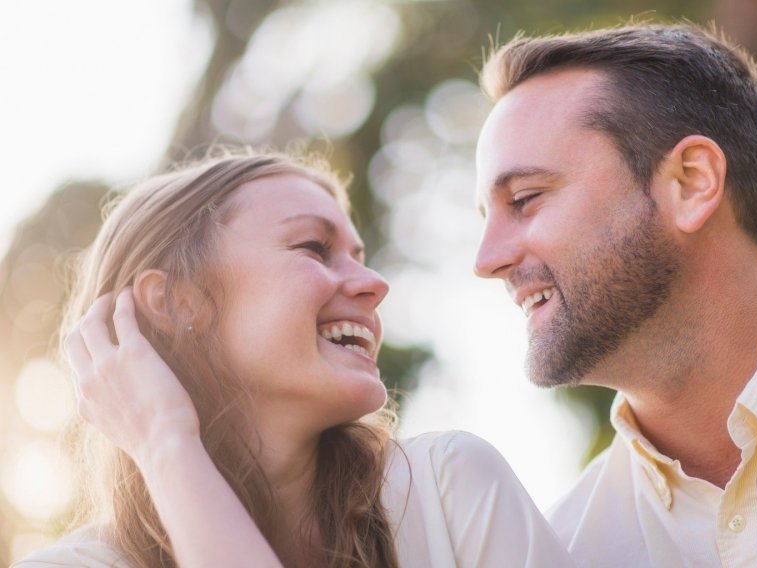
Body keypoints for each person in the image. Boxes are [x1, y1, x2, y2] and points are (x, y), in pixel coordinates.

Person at [13, 151, 573, 568]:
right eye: (313, 248)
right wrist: (166, 442)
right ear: (179, 302)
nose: (374, 283)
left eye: (360, 256)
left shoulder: (447, 491)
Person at [474, 22, 757, 567]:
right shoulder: (565, 552)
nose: (486, 261)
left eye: (525, 199)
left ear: (691, 183)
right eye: (486, 219)